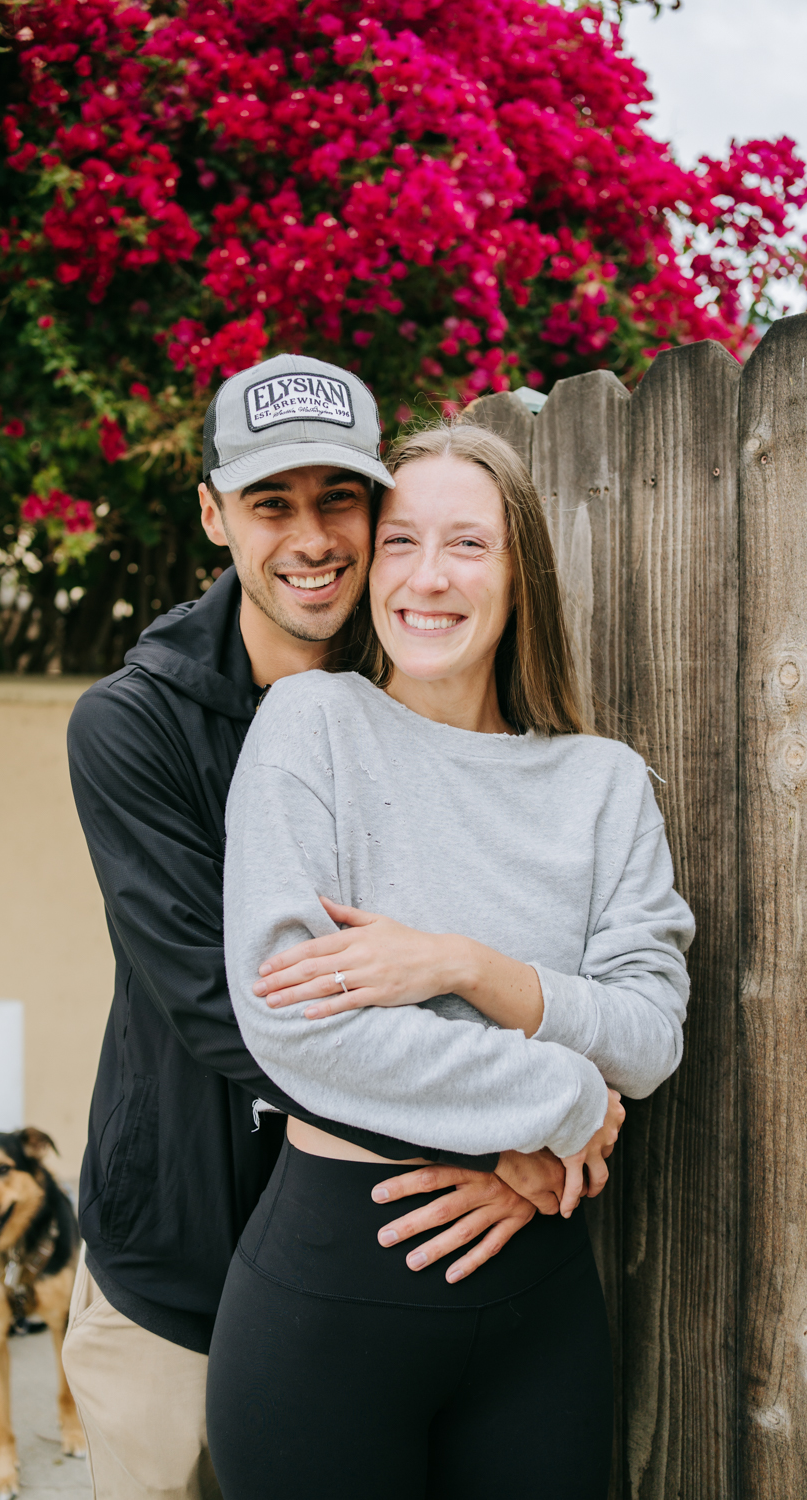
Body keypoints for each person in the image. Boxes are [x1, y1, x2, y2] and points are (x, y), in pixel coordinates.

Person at [61, 357, 563, 1500]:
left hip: (386, 1267)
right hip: (179, 1274)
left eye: (338, 498)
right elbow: (236, 1009)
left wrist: (563, 1100)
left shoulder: (434, 687)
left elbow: (529, 944)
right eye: (269, 503)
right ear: (212, 513)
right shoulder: (130, 729)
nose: (311, 537)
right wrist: (516, 1132)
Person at [208, 420, 695, 1500]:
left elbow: (651, 1038)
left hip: (543, 1312)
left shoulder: (602, 784)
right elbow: (294, 1021)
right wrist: (564, 1097)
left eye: (468, 545)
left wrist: (465, 965)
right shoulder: (310, 724)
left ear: (521, 571)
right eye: (402, 542)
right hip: (332, 1304)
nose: (429, 578)